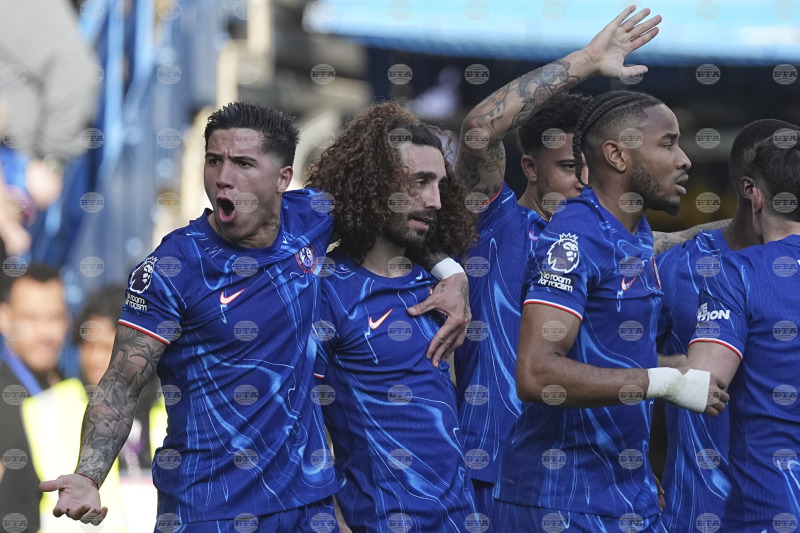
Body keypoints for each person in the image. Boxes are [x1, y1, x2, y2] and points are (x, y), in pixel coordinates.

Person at [40, 102, 471, 531]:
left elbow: (397, 211)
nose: (224, 177)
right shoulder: (174, 266)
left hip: (307, 507)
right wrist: (88, 475)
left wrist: (451, 272)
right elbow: (120, 383)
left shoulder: (312, 218)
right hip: (210, 510)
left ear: (283, 178)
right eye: (214, 160)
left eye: (243, 163)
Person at [453, 7, 722, 518]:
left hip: (602, 483)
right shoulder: (497, 224)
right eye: (566, 168)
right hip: (492, 472)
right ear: (529, 167)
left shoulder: (623, 240)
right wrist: (589, 59)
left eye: (587, 167)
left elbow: (687, 238)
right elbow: (479, 130)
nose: (582, 181)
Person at [491, 90, 728, 531]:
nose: (684, 160)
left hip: (624, 494)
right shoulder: (575, 236)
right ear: (617, 155)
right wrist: (663, 382)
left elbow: (604, 353)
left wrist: (672, 367)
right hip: (560, 501)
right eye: (668, 144)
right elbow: (536, 373)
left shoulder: (636, 233)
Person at [305, 103, 479, 532]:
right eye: (420, 182)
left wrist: (453, 272)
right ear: (377, 182)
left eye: (439, 184)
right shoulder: (326, 290)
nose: (435, 200)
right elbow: (301, 423)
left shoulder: (442, 286)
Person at [655, 119, 798, 532]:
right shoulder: (674, 267)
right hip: (698, 508)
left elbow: (698, 379)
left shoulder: (727, 272)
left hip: (761, 505)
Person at [0, 263, 69, 533]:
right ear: (4, 318)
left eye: (55, 318)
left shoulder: (71, 391)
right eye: (30, 318)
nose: (45, 333)